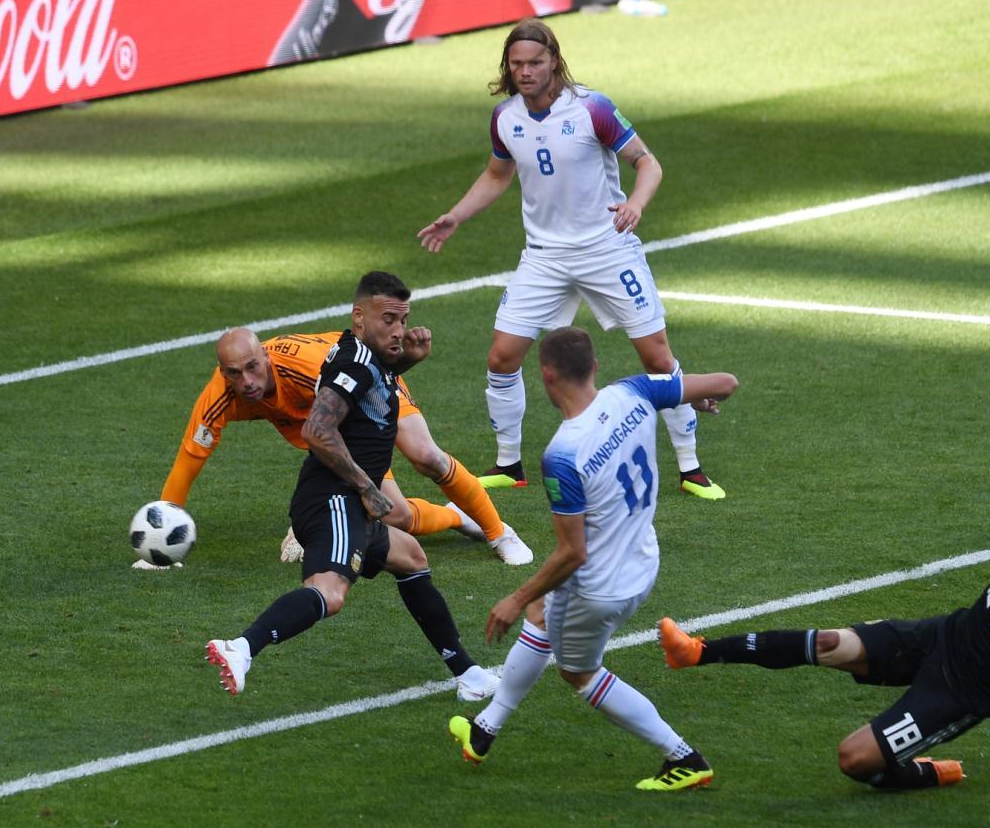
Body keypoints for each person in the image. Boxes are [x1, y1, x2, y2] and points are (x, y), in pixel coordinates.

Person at [659, 488, 990, 822]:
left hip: (958, 692)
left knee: (853, 759)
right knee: (830, 644)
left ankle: (925, 771)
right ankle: (698, 652)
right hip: (941, 636)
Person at [416, 18, 726, 500]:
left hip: (606, 249)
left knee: (658, 357)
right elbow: (498, 176)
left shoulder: (592, 109)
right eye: (516, 64)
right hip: (544, 257)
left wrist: (636, 203)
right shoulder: (506, 118)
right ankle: (508, 464)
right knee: (501, 356)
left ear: (554, 60)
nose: (525, 71)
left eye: (535, 62)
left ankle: (691, 468)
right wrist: (456, 216)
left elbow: (648, 163)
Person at [446, 326, 738, 790]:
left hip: (600, 585)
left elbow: (572, 552)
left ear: (545, 375)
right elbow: (725, 383)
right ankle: (484, 729)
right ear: (595, 367)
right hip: (642, 559)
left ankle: (684, 757)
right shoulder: (636, 391)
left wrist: (514, 598)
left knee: (579, 673)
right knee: (542, 615)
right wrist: (682, 396)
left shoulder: (562, 454)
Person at [205, 272, 500, 702]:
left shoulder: (362, 355)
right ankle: (241, 648)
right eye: (388, 320)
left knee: (411, 557)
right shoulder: (354, 361)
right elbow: (318, 429)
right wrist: (367, 487)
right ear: (359, 317)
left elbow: (368, 389)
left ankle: (469, 676)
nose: (398, 329)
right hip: (335, 498)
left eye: (403, 319)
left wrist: (408, 359)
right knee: (330, 592)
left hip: (340, 499)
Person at [145, 324, 532, 569]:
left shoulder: (305, 367)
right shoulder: (220, 398)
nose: (246, 381)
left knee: (425, 455)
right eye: (233, 373)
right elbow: (188, 462)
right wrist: (162, 536)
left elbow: (353, 410)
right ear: (222, 372)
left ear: (265, 354)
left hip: (365, 383)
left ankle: (500, 533)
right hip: (326, 421)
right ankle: (457, 517)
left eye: (252, 366)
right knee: (395, 515)